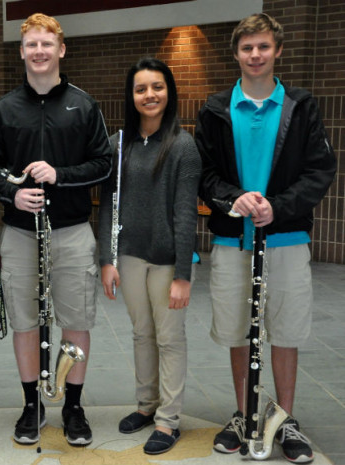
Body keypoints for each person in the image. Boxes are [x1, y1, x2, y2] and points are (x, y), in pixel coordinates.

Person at [195, 13, 336, 464]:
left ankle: (284, 418)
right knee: (239, 333)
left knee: (285, 332)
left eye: (263, 47)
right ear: (235, 54)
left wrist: (281, 205)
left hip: (286, 237)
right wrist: (235, 198)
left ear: (277, 51)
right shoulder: (217, 108)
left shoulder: (301, 105)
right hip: (233, 241)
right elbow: (205, 175)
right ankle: (245, 413)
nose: (255, 55)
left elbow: (320, 170)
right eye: (247, 48)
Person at [0, 13, 112, 446]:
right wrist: (11, 194)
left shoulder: (83, 104)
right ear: (22, 51)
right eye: (31, 44)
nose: (39, 51)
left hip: (72, 230)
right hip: (21, 233)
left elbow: (102, 164)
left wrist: (60, 175)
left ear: (61, 49)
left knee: (76, 322)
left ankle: (73, 406)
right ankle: (31, 405)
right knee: (24, 322)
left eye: (47, 43)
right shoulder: (5, 108)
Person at [99, 57, 201, 455]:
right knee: (142, 333)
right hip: (128, 256)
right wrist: (106, 259)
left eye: (157, 87)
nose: (149, 95)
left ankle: (168, 420)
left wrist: (183, 274)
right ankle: (146, 405)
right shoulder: (118, 143)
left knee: (169, 337)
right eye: (141, 88)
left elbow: (186, 213)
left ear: (169, 91)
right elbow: (107, 204)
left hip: (165, 261)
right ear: (131, 95)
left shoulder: (183, 145)